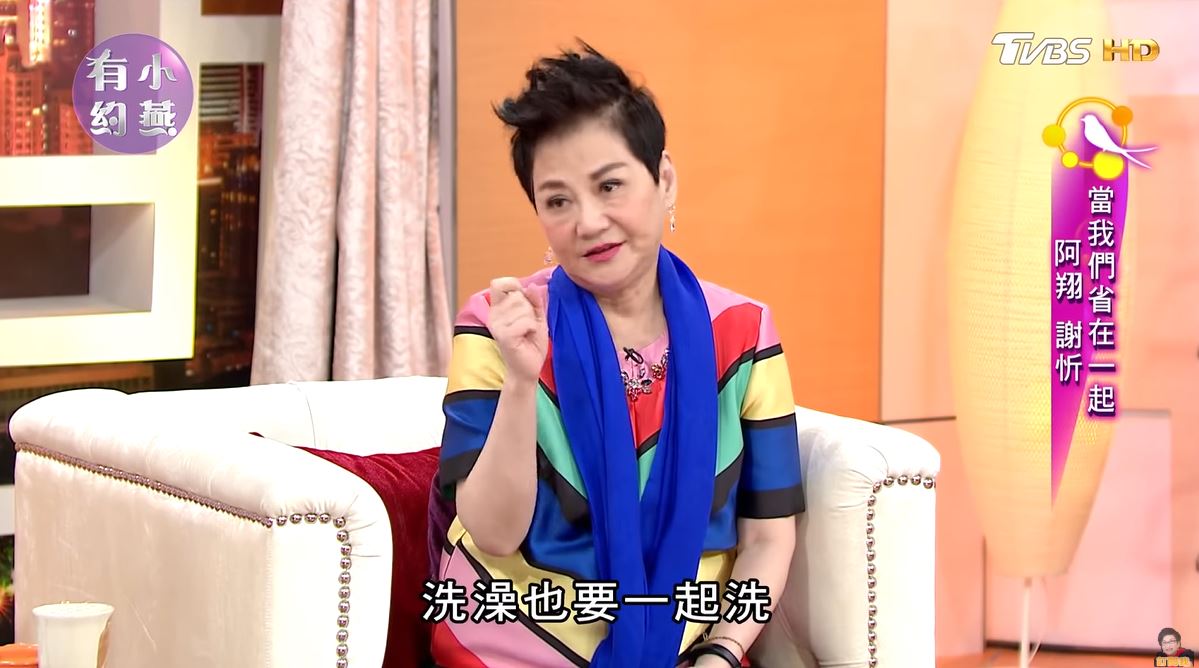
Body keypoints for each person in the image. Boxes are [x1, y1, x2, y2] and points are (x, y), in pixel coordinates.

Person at [427, 43, 804, 668]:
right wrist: (521, 382)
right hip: (510, 652)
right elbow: (492, 533)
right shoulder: (497, 325)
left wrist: (722, 653)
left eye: (609, 186)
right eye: (558, 200)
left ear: (664, 180)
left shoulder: (742, 333)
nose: (588, 222)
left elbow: (767, 536)